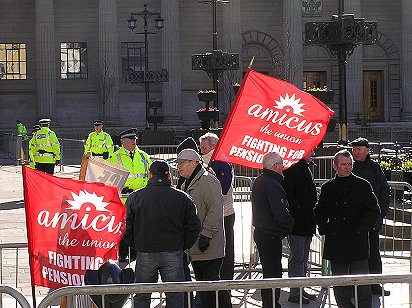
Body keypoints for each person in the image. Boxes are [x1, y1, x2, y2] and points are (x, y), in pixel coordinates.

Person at [124, 160, 201, 308]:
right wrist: (182, 245)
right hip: (173, 251)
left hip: (145, 250)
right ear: (169, 176)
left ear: (150, 175)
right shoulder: (182, 198)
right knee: (175, 295)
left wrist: (137, 245)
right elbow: (194, 226)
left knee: (142, 295)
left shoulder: (135, 197)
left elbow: (126, 227)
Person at [314, 149, 380, 308]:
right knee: (340, 282)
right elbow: (319, 210)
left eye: (350, 164)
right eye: (343, 164)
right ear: (335, 166)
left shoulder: (362, 185)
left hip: (357, 240)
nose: (347, 167)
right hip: (337, 240)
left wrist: (362, 228)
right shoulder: (328, 188)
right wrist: (325, 228)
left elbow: (374, 210)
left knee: (362, 282)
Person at [175, 148, 232, 308]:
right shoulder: (188, 182)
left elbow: (215, 210)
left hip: (208, 246)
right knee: (205, 289)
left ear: (193, 163)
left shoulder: (208, 180)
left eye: (181, 163)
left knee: (213, 287)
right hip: (197, 247)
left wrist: (206, 235)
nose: (178, 167)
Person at [251, 151, 294, 308]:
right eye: (282, 165)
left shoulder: (260, 181)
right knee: (273, 273)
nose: (283, 168)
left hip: (264, 232)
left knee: (269, 272)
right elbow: (280, 212)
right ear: (276, 166)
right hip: (270, 234)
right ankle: (271, 304)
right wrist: (289, 225)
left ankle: (270, 303)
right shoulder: (272, 184)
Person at [350, 137, 391, 296]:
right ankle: (354, 285)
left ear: (368, 151)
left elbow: (384, 192)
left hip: (372, 219)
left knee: (373, 253)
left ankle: (375, 285)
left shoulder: (375, 168)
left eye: (359, 149)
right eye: (354, 149)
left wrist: (380, 215)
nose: (356, 152)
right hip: (354, 220)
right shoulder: (349, 167)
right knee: (354, 254)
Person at [108, 128, 152, 262]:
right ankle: (122, 253)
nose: (134, 141)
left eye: (135, 139)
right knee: (124, 227)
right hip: (123, 200)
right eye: (131, 139)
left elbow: (151, 174)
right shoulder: (115, 157)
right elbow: (109, 179)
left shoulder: (144, 156)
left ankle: (136, 253)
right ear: (123, 141)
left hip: (141, 198)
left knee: (140, 226)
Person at [282, 150, 318, 304]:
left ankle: (301, 288)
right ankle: (295, 291)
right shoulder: (292, 170)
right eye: (311, 150)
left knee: (303, 259)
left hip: (306, 221)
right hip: (298, 223)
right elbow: (290, 196)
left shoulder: (304, 169)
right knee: (297, 258)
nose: (314, 153)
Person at [199, 132, 235, 281]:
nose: (201, 151)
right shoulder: (204, 162)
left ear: (214, 146)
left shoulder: (223, 162)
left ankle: (226, 279)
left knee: (226, 248)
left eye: (204, 148)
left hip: (224, 213)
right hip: (210, 213)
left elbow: (223, 188)